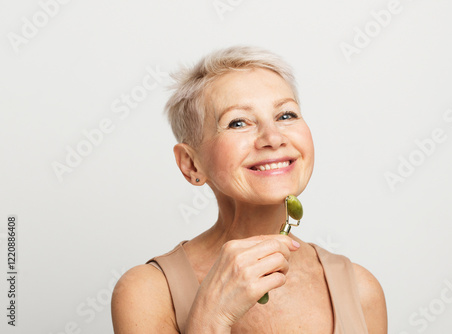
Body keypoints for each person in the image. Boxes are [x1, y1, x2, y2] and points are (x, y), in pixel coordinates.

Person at [111, 46, 387, 333]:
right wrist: (210, 317)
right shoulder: (147, 292)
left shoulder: (361, 289)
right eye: (238, 122)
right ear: (191, 164)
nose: (273, 137)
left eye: (286, 115)